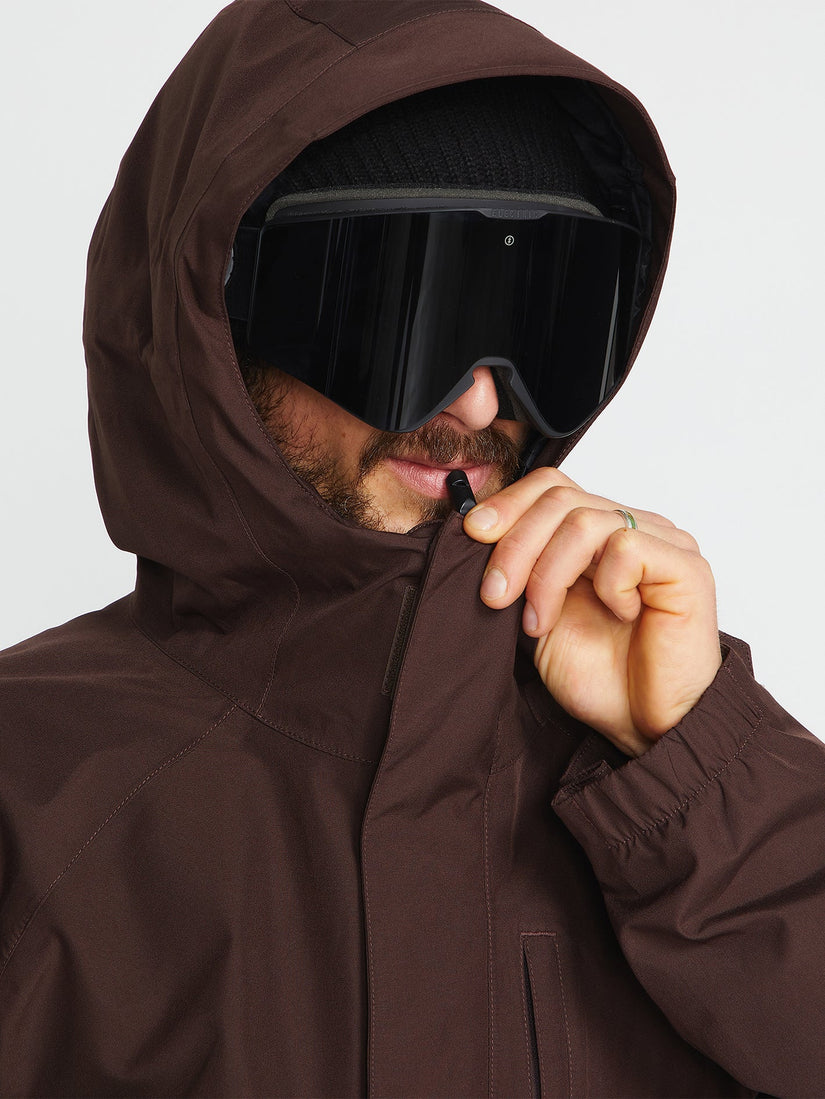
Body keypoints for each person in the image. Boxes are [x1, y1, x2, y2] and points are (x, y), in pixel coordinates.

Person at [0, 1, 822, 1096]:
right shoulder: (30, 783)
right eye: (394, 315)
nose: (478, 403)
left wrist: (703, 767)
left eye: (536, 319)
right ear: (211, 318)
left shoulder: (657, 770)